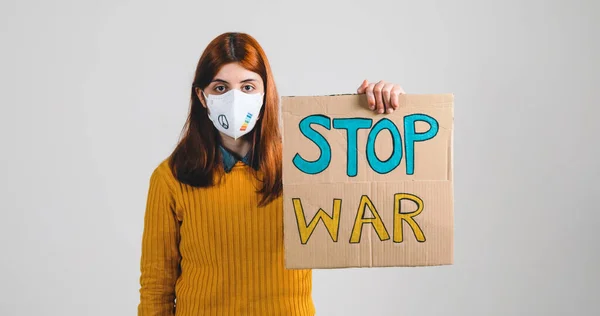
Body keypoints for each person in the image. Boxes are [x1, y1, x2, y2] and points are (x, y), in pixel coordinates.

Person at [137, 32, 406, 316]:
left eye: (248, 87)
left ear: (266, 93)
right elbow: (157, 289)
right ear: (201, 97)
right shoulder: (170, 178)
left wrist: (377, 112)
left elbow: (369, 195)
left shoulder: (306, 165)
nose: (235, 99)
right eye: (220, 88)